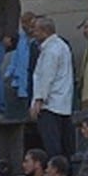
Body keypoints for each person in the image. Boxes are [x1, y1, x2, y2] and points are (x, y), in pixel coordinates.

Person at [28, 16, 75, 159]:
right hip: (64, 103)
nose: (33, 33)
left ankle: (56, 174)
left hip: (50, 104)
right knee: (65, 146)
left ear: (44, 32)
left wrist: (38, 100)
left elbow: (46, 77)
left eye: (35, 30)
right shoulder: (62, 46)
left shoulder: (50, 51)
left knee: (52, 146)